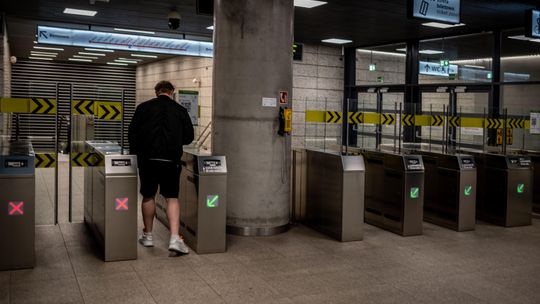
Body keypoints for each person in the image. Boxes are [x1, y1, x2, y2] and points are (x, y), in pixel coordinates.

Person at [128, 80, 194, 254]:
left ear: (156, 92)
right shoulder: (180, 110)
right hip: (171, 161)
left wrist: (137, 155)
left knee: (148, 196)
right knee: (172, 197)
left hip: (148, 160)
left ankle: (148, 236)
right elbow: (188, 137)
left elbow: (132, 133)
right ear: (172, 92)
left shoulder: (143, 108)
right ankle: (174, 238)